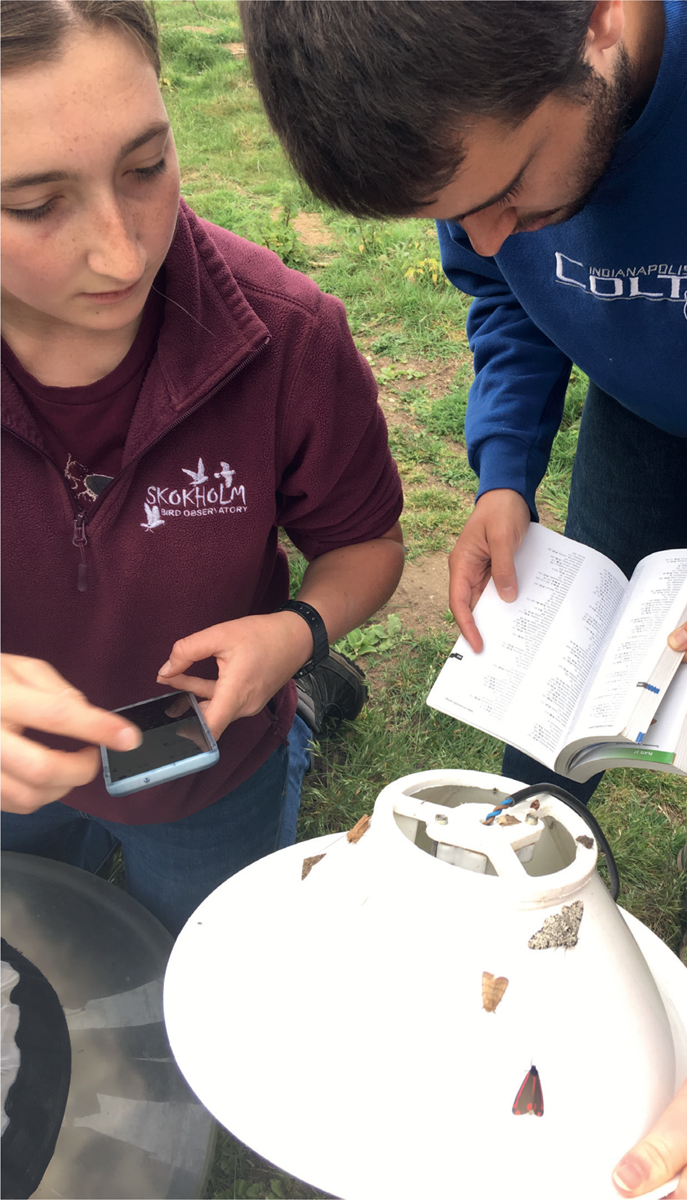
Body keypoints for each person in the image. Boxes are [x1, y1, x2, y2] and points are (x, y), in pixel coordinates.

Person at [240, 3, 687, 1196]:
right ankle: (535, 856)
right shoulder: (478, 141)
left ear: (601, 26)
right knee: (600, 611)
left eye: (513, 189)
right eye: (452, 213)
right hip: (645, 395)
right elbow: (506, 293)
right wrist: (506, 468)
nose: (485, 231)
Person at [0, 0, 405, 939]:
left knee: (201, 965)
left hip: (205, 769)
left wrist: (299, 631)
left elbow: (366, 544)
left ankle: (296, 707)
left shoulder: (288, 334)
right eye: (33, 204)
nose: (123, 249)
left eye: (146, 167)